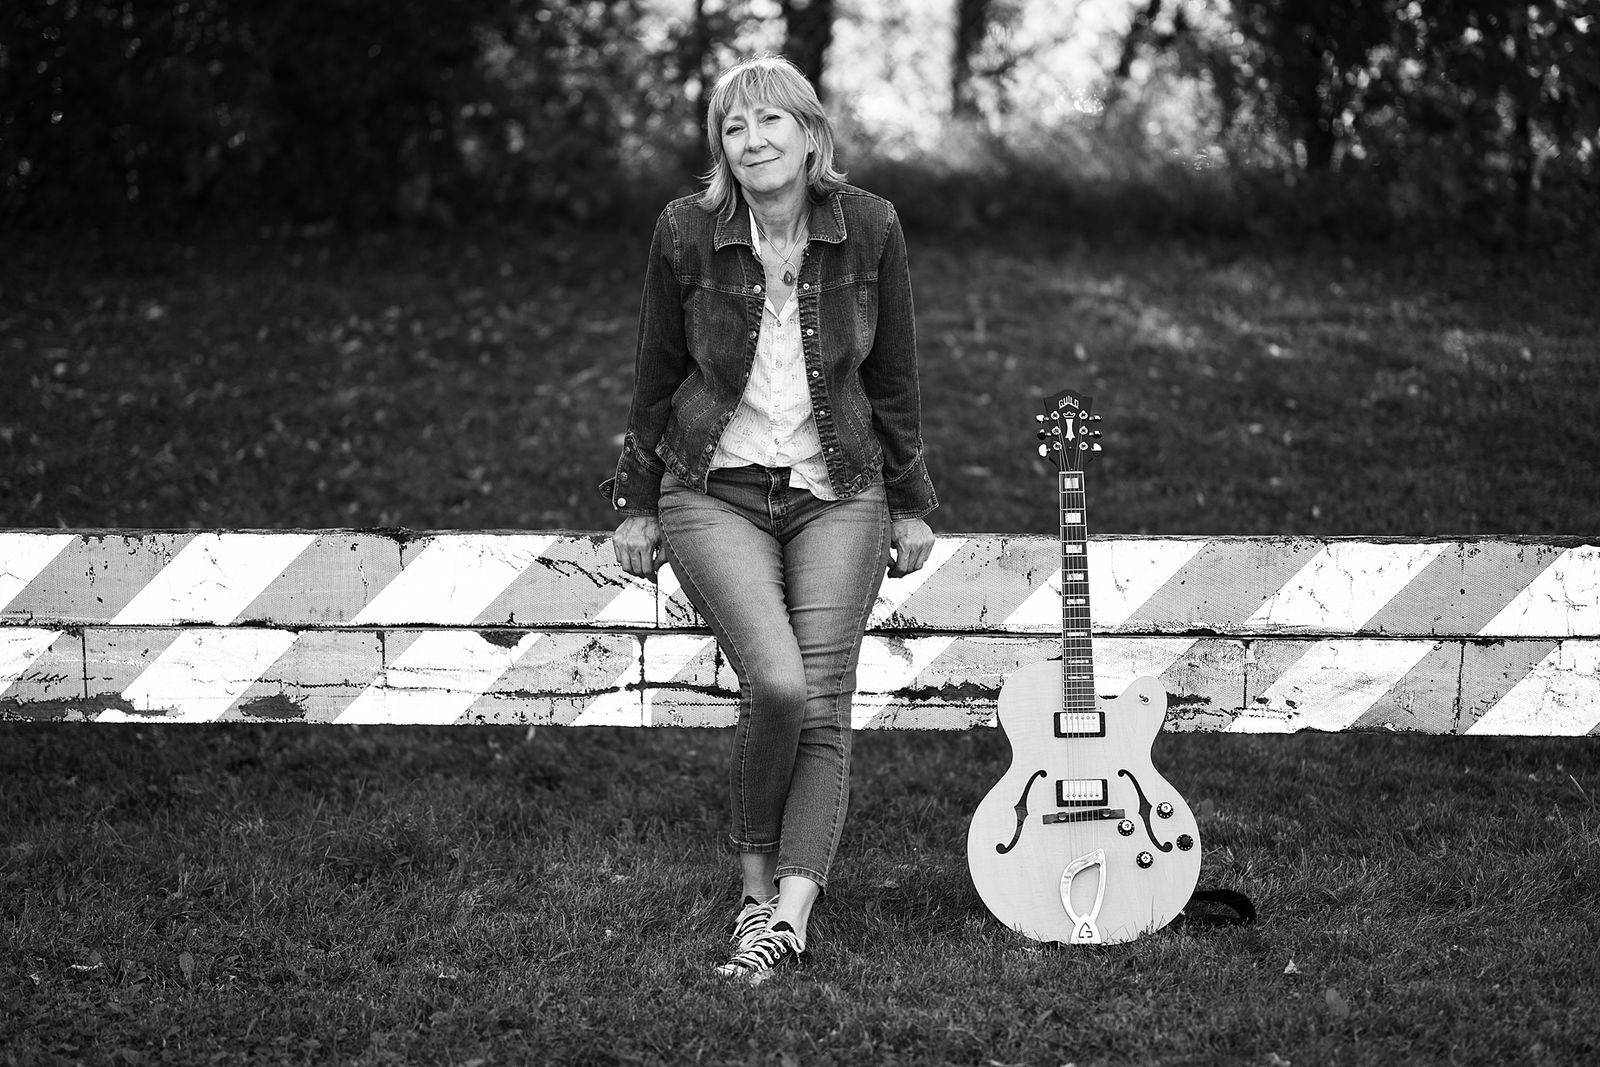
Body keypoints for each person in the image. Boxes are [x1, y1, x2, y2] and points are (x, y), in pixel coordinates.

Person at [600, 53, 937, 983]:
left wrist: (910, 501)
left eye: (770, 121)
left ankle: (787, 913)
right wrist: (636, 501)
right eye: (734, 128)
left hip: (840, 490)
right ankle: (753, 887)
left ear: (809, 133)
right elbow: (656, 370)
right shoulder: (686, 230)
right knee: (780, 685)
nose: (752, 141)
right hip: (716, 489)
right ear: (722, 148)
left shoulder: (870, 226)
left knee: (824, 701)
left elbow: (894, 374)